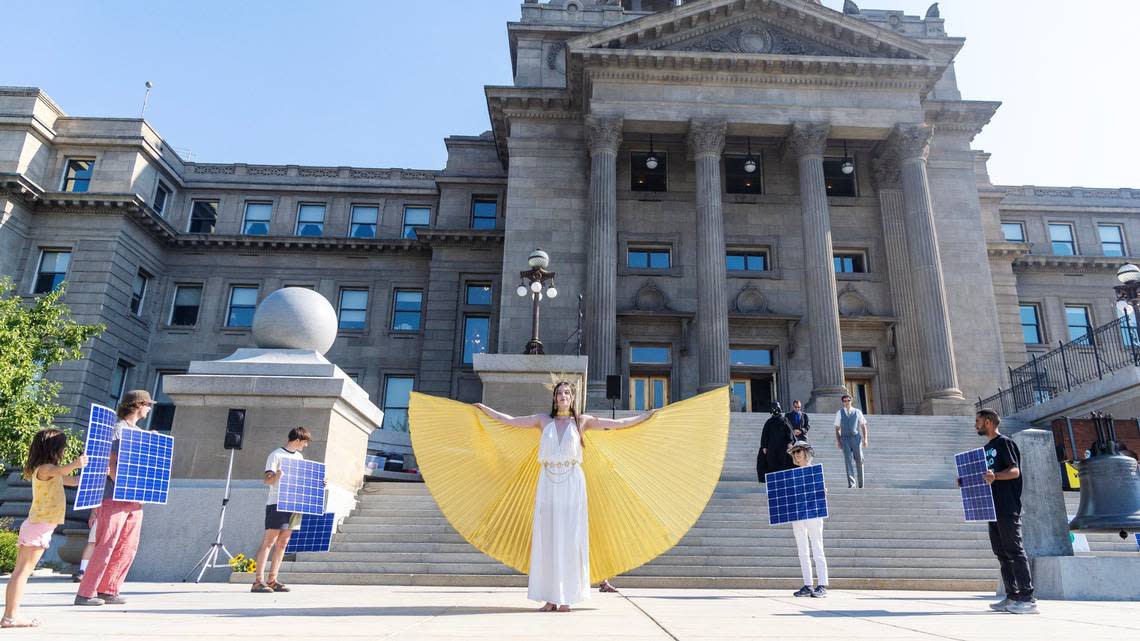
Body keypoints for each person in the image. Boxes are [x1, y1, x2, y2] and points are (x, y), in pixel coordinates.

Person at [474, 382, 657, 612]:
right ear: (554, 398)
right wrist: (484, 409)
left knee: (570, 538)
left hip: (572, 482)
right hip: (547, 482)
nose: (562, 396)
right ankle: (551, 598)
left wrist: (646, 416)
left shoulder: (582, 422)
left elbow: (618, 424)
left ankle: (566, 598)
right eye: (559, 393)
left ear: (572, 398)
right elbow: (510, 421)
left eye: (567, 393)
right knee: (548, 537)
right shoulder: (544, 421)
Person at [75, 390, 154, 607]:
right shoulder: (117, 430)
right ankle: (86, 593)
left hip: (135, 500)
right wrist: (123, 484)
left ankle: (109, 590)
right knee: (106, 544)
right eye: (148, 405)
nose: (149, 409)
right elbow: (109, 462)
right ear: (138, 405)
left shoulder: (138, 431)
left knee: (128, 546)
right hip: (114, 497)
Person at [3, 430, 86, 627]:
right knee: (22, 572)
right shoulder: (46, 468)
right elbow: (63, 471)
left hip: (38, 525)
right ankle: (10, 617)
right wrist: (77, 463)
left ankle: (10, 616)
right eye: (63, 446)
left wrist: (96, 474)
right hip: (39, 526)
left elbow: (73, 481)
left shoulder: (49, 471)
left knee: (21, 572)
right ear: (54, 448)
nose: (65, 450)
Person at [972, 408, 1037, 614]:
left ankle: (1027, 598)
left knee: (1015, 551)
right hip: (992, 507)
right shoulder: (986, 448)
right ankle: (1012, 596)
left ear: (989, 422)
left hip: (1007, 506)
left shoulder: (1004, 443)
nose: (976, 424)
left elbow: (1014, 471)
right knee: (1001, 553)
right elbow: (986, 477)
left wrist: (996, 477)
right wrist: (965, 481)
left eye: (978, 421)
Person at [251, 426, 314, 593]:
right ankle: (258, 581)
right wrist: (277, 476)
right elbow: (267, 481)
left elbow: (302, 481)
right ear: (298, 440)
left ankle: (272, 579)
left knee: (283, 543)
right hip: (277, 502)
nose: (306, 446)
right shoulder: (276, 455)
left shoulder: (299, 457)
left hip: (294, 504)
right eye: (305, 442)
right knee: (269, 542)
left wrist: (318, 484)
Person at [786, 440, 828, 599]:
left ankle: (822, 585)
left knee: (817, 547)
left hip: (813, 513)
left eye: (799, 451)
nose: (796, 455)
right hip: (797, 515)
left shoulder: (815, 472)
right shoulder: (791, 475)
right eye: (794, 452)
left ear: (806, 453)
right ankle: (808, 584)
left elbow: (820, 492)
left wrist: (822, 490)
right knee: (802, 550)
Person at [833, 395, 869, 488]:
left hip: (856, 438)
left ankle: (861, 483)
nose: (847, 402)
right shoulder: (839, 413)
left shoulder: (857, 412)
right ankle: (852, 483)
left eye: (848, 400)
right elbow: (837, 428)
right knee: (848, 460)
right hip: (845, 438)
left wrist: (865, 439)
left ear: (851, 401)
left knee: (859, 460)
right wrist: (838, 441)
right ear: (843, 402)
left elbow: (863, 426)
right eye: (845, 401)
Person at [759, 402, 795, 482]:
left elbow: (789, 431)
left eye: (777, 409)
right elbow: (765, 434)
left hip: (783, 447)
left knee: (783, 462)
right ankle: (774, 480)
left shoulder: (784, 420)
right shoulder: (769, 422)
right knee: (772, 463)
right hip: (771, 447)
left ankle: (782, 479)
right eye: (773, 409)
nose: (775, 410)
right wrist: (764, 446)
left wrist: (790, 442)